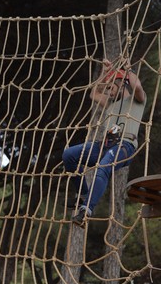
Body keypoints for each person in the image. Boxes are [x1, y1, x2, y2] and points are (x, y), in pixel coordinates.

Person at [63, 59, 146, 227]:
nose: (108, 91)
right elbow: (93, 94)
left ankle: (86, 210)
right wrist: (105, 72)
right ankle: (84, 194)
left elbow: (137, 87)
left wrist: (126, 70)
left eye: (111, 88)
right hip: (105, 144)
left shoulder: (137, 101)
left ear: (122, 84)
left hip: (125, 145)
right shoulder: (110, 104)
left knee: (103, 167)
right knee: (69, 155)